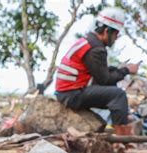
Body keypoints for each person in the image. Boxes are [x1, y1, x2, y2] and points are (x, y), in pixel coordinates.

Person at [55, 7, 139, 135]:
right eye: (116, 34)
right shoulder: (96, 49)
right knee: (118, 95)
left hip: (68, 91)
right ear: (107, 31)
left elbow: (101, 72)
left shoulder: (88, 41)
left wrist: (118, 70)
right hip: (71, 95)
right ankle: (122, 137)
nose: (116, 38)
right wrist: (126, 70)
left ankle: (119, 124)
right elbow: (104, 79)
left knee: (113, 83)